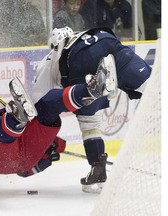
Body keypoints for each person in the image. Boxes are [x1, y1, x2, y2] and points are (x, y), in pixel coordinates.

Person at [31, 26, 151, 193]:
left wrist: (38, 133)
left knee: (89, 122)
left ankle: (97, 167)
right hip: (109, 42)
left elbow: (37, 102)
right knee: (153, 87)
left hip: (80, 61)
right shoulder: (81, 35)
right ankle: (103, 82)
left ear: (54, 46)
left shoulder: (49, 60)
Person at [0, 72, 116, 181]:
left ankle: (90, 90)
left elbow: (23, 172)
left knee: (47, 104)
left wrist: (48, 148)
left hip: (24, 158)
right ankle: (17, 119)